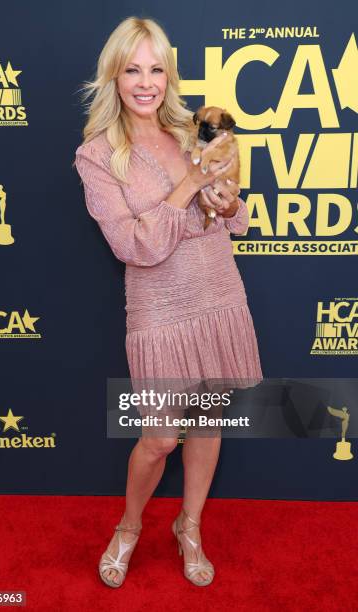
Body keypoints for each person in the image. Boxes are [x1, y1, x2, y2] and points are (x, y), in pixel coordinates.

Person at [74, 16, 263, 588]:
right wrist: (187, 187)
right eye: (133, 68)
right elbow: (137, 245)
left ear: (169, 75)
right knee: (158, 438)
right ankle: (130, 527)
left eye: (156, 68)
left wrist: (228, 203)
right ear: (114, 75)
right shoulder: (97, 155)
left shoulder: (193, 128)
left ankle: (190, 525)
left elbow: (237, 219)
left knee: (208, 424)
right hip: (159, 308)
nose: (146, 81)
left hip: (218, 292)